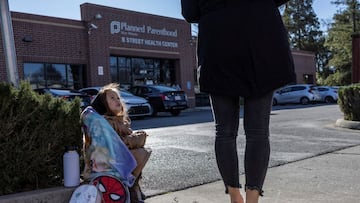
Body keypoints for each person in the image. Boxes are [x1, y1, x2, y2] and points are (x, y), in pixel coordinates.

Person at [181, 1, 296, 203]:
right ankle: (252, 198)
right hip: (261, 39)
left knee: (224, 130)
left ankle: (235, 196)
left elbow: (190, 12)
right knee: (258, 130)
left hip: (218, 44)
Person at [89, 83, 152, 203]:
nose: (117, 100)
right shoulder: (107, 122)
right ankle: (131, 186)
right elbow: (118, 144)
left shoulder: (122, 121)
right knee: (141, 152)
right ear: (104, 104)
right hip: (109, 161)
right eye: (112, 98)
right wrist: (137, 139)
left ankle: (133, 185)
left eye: (118, 98)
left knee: (143, 151)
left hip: (118, 157)